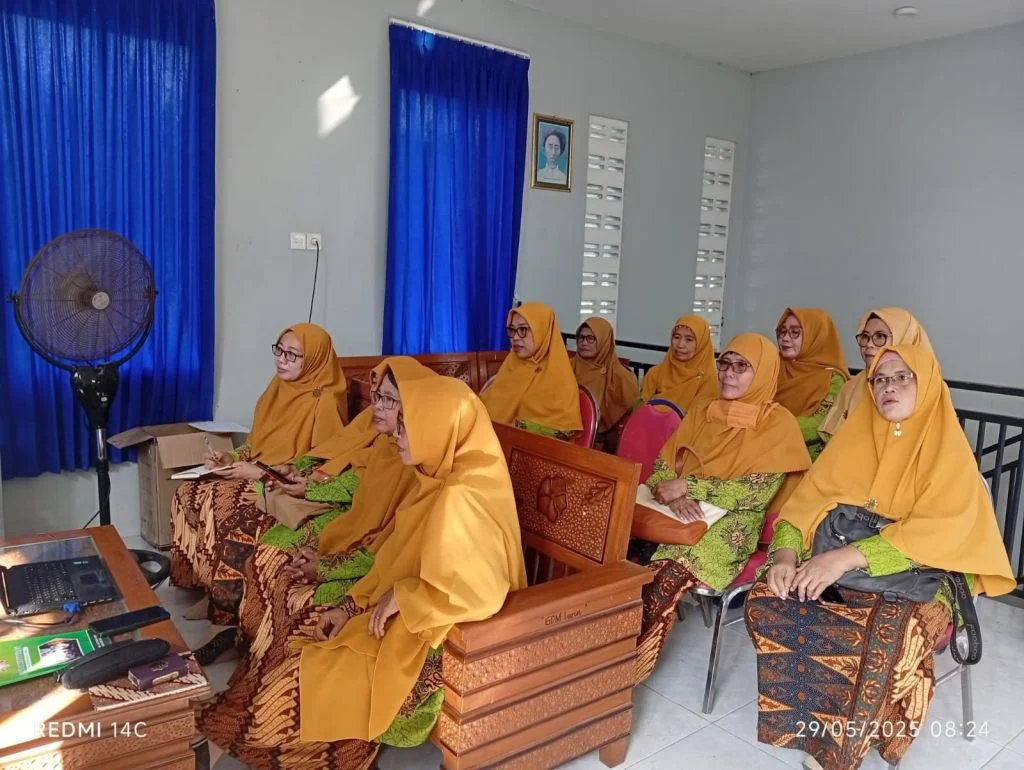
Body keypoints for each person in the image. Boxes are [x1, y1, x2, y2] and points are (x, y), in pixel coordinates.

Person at [197, 369, 528, 769]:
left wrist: (402, 598)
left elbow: (482, 590)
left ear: (438, 430)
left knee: (308, 679)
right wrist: (353, 605)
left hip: (438, 632)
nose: (396, 433)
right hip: (413, 614)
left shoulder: (464, 496)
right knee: (304, 657)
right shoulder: (435, 480)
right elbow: (393, 557)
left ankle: (285, 735)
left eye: (406, 425)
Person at [746, 346, 1014, 770]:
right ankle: (817, 720)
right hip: (842, 563)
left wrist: (845, 558)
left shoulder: (949, 451)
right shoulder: (855, 438)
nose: (889, 386)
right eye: (880, 379)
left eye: (902, 377)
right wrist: (784, 555)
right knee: (769, 599)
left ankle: (841, 750)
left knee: (888, 635)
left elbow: (939, 531)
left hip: (925, 575)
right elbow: (803, 506)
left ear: (927, 384)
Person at [190, 359, 428, 663]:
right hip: (347, 521)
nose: (377, 406)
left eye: (388, 399)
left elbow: (390, 546)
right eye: (377, 395)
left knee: (275, 559)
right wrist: (289, 471)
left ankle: (264, 654)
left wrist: (324, 563)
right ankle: (242, 635)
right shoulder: (384, 441)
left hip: (365, 552)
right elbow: (331, 456)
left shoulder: (417, 461)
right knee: (264, 545)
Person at [630, 333, 811, 682]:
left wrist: (690, 486)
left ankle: (625, 669)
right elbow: (666, 463)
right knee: (619, 556)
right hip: (678, 511)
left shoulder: (778, 425)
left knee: (665, 575)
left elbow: (755, 493)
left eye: (742, 366)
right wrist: (675, 493)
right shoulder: (704, 410)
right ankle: (595, 650)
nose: (728, 373)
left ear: (762, 373)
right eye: (725, 363)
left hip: (732, 523)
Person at [170, 323, 348, 623]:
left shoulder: (325, 400)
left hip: (284, 486)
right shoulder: (276, 389)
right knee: (188, 493)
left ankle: (224, 604)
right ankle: (203, 584)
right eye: (279, 350)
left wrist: (259, 474)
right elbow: (257, 445)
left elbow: (321, 465)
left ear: (313, 360)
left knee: (221, 506)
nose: (281, 360)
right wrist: (230, 457)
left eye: (292, 355)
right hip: (257, 471)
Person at [819, 307, 932, 440]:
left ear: (905, 339)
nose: (869, 344)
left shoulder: (927, 389)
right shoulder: (851, 387)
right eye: (865, 337)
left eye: (880, 337)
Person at [481, 302, 583, 437]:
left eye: (523, 329)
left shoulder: (560, 378)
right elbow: (484, 409)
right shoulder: (511, 365)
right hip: (492, 439)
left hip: (535, 447)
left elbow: (564, 432)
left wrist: (520, 426)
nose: (515, 337)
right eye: (512, 330)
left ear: (542, 331)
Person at [775, 308, 849, 460]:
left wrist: (769, 424)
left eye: (795, 332)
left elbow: (821, 424)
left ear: (815, 337)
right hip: (765, 450)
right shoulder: (772, 365)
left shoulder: (833, 378)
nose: (785, 338)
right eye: (782, 332)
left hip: (808, 458)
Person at [571, 316, 639, 448]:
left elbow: (631, 418)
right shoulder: (567, 367)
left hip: (606, 445)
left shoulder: (623, 377)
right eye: (580, 337)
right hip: (567, 434)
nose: (584, 343)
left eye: (591, 338)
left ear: (604, 341)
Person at [639, 314, 718, 413]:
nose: (680, 345)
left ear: (702, 345)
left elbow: (699, 418)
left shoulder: (709, 381)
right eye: (676, 337)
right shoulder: (655, 373)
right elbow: (639, 412)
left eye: (689, 339)